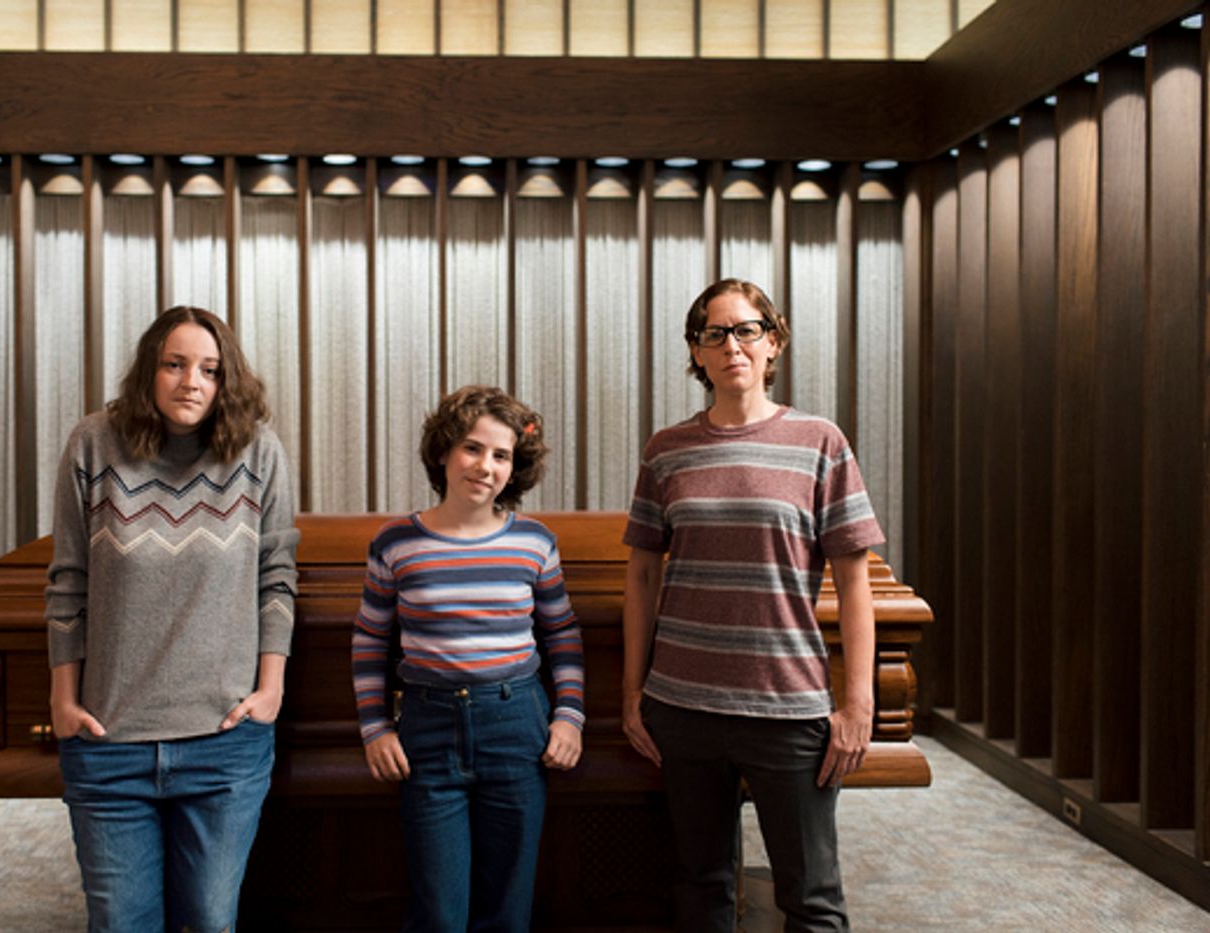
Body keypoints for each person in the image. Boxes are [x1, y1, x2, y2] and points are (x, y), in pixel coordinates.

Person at [620, 279, 883, 932]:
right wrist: (632, 693)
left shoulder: (820, 441)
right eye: (715, 333)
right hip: (683, 708)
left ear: (773, 343)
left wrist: (858, 705)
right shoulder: (666, 449)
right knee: (700, 884)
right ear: (697, 352)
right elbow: (643, 575)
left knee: (812, 898)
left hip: (787, 710)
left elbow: (855, 583)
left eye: (746, 330)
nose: (731, 345)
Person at [45, 305, 300, 933]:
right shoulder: (92, 444)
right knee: (120, 922)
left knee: (210, 921)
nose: (192, 382)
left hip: (225, 742)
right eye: (175, 365)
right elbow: (68, 580)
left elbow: (277, 576)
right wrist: (63, 699)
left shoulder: (259, 451)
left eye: (210, 370)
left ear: (227, 381)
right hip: (109, 742)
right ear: (148, 372)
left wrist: (271, 688)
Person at [351, 385, 586, 933]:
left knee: (507, 909)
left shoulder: (535, 543)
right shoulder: (396, 543)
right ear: (444, 452)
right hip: (428, 732)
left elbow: (562, 634)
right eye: (472, 448)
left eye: (501, 455)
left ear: (514, 467)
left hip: (517, 726)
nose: (485, 466)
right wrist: (374, 728)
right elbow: (369, 641)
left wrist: (570, 717)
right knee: (439, 912)